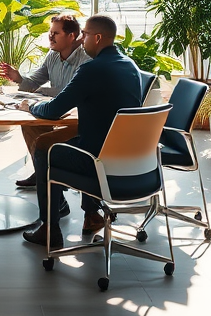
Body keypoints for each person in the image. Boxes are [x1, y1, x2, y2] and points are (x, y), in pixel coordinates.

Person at [19, 14, 143, 249]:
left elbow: (54, 110)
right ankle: (90, 213)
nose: (82, 39)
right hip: (132, 159)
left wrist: (31, 106)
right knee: (61, 139)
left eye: (85, 35)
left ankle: (49, 228)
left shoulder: (91, 69)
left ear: (97, 38)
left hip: (99, 159)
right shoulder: (131, 66)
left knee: (45, 150)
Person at [0, 14, 90, 196]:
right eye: (50, 32)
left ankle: (49, 175)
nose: (50, 37)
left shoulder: (86, 61)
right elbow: (34, 82)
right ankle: (44, 172)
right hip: (57, 112)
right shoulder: (53, 56)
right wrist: (18, 77)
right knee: (29, 125)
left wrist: (44, 95)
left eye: (56, 33)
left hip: (77, 120)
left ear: (71, 36)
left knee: (43, 139)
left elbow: (69, 96)